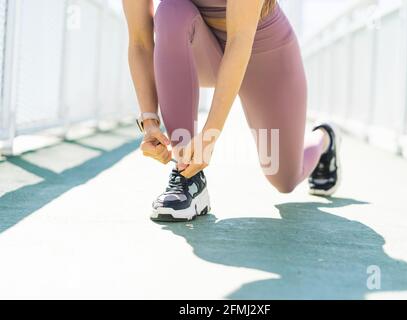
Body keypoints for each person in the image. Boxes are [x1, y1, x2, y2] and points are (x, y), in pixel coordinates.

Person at [123, 0, 341, 222]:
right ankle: (187, 178)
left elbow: (239, 41)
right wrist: (149, 120)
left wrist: (210, 135)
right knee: (171, 10)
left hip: (266, 57)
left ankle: (324, 138)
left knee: (284, 179)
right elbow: (140, 41)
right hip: (208, 51)